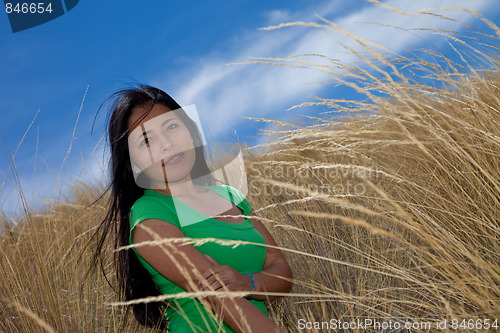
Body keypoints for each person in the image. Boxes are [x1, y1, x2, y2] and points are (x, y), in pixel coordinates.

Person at [92, 85, 293, 332]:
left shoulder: (229, 196)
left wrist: (248, 283)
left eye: (171, 127)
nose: (166, 144)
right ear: (133, 163)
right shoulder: (149, 214)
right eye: (146, 140)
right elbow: (219, 298)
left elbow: (281, 269)